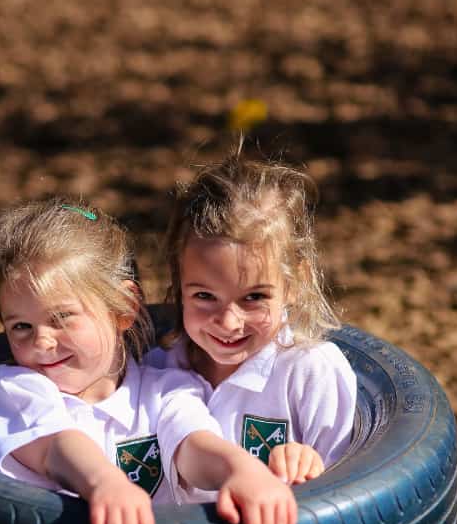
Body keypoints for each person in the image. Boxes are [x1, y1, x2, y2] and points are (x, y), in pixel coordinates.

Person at [0, 198, 297, 524]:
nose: (42, 342)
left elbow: (194, 446)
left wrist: (241, 471)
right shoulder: (21, 390)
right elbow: (54, 449)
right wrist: (102, 483)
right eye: (21, 327)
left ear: (123, 309)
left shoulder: (166, 389)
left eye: (62, 318)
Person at [145, 141, 357, 486]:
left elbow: (354, 493)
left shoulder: (309, 372)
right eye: (204, 296)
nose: (229, 322)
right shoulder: (157, 369)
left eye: (254, 297)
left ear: (294, 283)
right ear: (178, 282)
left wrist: (309, 466)